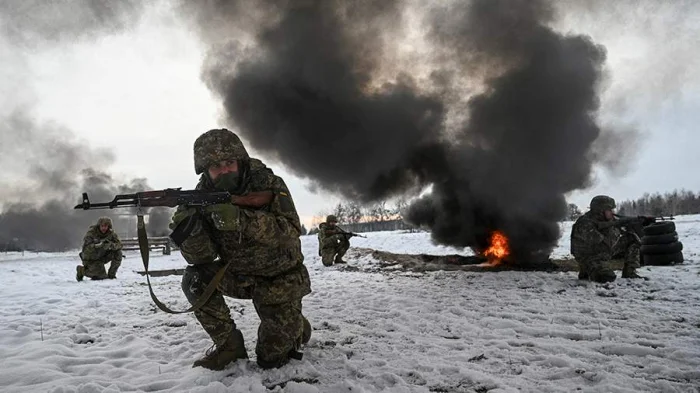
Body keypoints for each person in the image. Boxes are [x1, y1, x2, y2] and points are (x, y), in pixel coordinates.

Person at [170, 128, 312, 371]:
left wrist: (241, 219)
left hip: (279, 279)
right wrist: (190, 231)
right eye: (216, 166)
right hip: (237, 276)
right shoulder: (200, 195)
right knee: (195, 278)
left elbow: (290, 232)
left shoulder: (267, 183)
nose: (224, 170)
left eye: (229, 162)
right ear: (205, 170)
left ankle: (294, 323)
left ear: (240, 160)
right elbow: (202, 257)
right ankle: (229, 346)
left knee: (271, 361)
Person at [570, 195, 644, 283]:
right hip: (589, 257)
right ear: (600, 211)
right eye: (609, 210)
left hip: (600, 253)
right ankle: (587, 269)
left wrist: (631, 227)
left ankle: (630, 272)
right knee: (607, 277)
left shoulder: (606, 220)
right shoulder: (585, 223)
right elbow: (606, 245)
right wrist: (616, 228)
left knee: (631, 238)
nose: (612, 212)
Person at [77, 216, 123, 281]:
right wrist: (97, 245)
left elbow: (120, 245)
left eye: (106, 226)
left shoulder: (111, 233)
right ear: (99, 226)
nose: (104, 228)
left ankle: (111, 275)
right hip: (91, 258)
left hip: (102, 256)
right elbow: (86, 249)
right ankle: (81, 270)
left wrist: (111, 245)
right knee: (100, 277)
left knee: (118, 253)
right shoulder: (91, 233)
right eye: (102, 226)